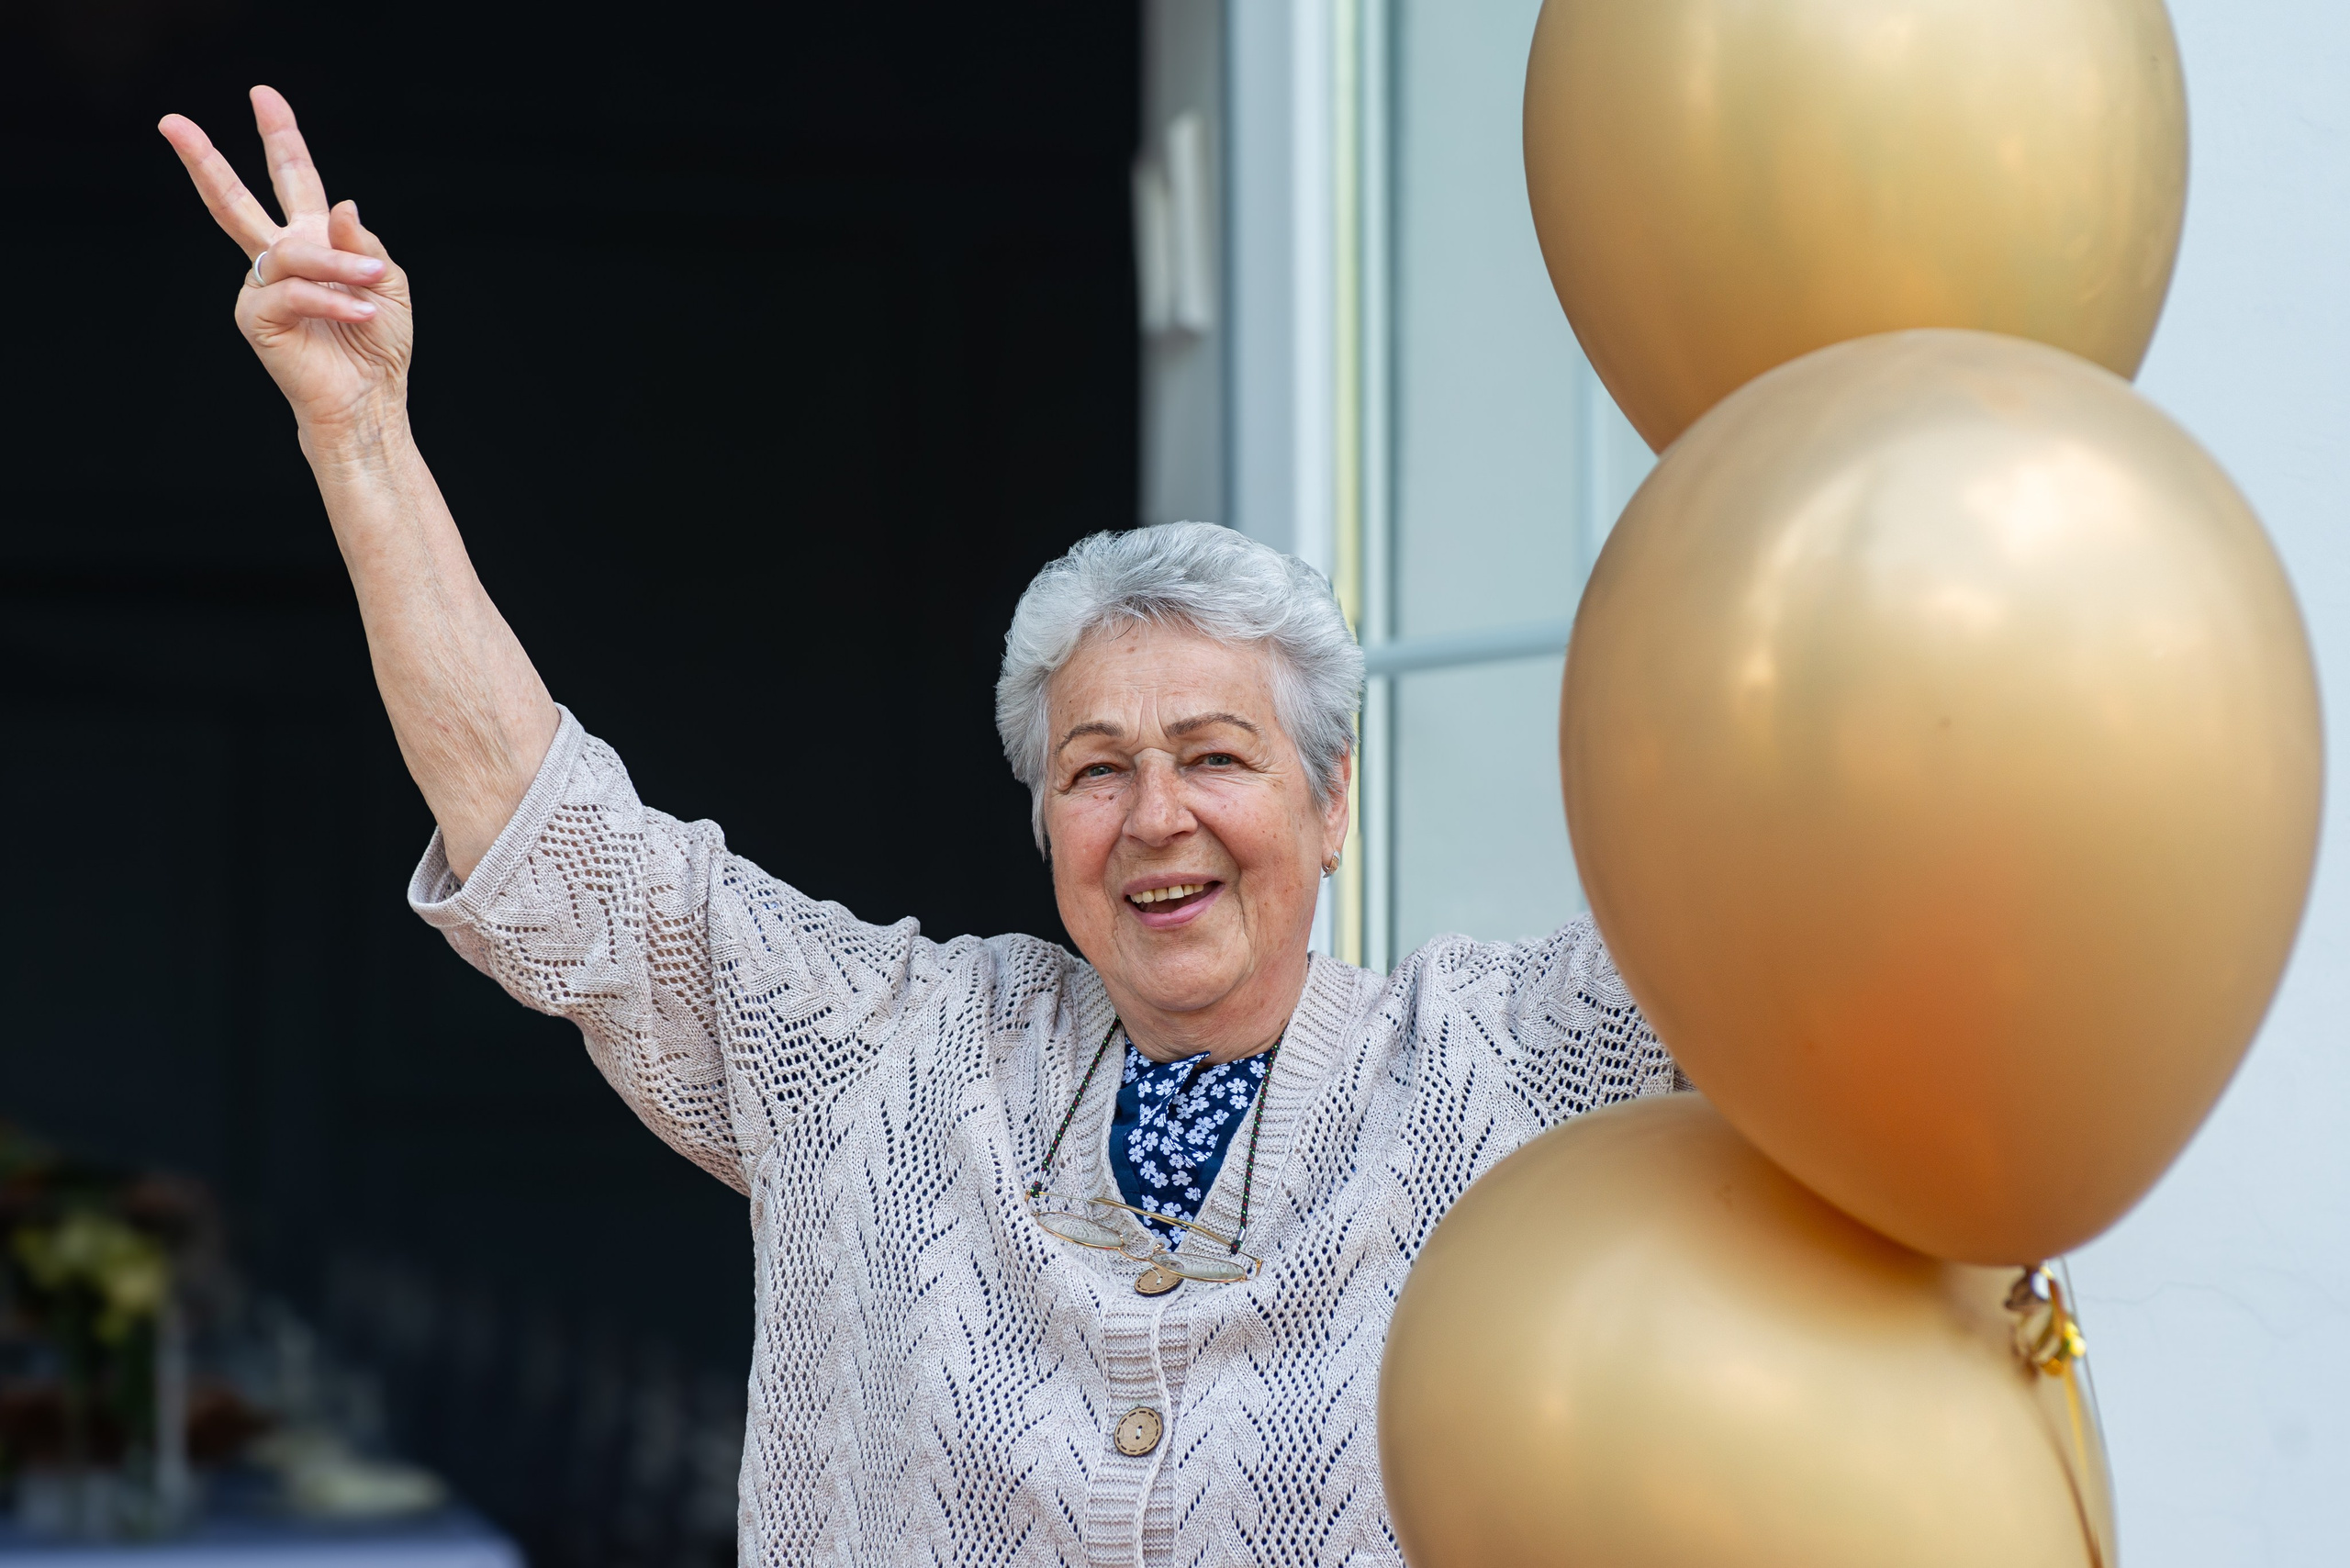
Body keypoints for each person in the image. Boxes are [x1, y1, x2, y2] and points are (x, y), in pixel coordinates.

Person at [161, 87, 1683, 1567]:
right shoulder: (888, 1052)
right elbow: (552, 839)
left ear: (1330, 801)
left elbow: (1841, 943)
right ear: (1043, 821)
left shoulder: (1506, 1059)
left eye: (1217, 756)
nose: (1157, 817)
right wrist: (359, 430)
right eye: (1094, 770)